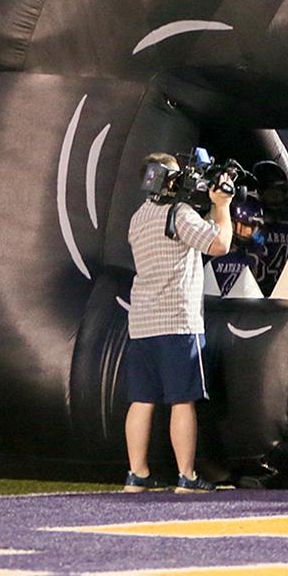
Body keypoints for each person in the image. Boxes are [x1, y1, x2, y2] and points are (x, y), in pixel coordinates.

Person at [123, 152, 234, 493]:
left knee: (142, 400)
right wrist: (222, 206)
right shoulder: (179, 214)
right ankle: (186, 475)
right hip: (177, 322)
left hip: (142, 322)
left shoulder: (138, 217)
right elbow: (220, 244)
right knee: (182, 400)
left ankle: (136, 474)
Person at [207, 193, 267, 296]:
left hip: (241, 308)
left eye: (253, 229)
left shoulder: (253, 254)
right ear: (231, 224)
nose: (249, 234)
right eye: (245, 228)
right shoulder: (210, 250)